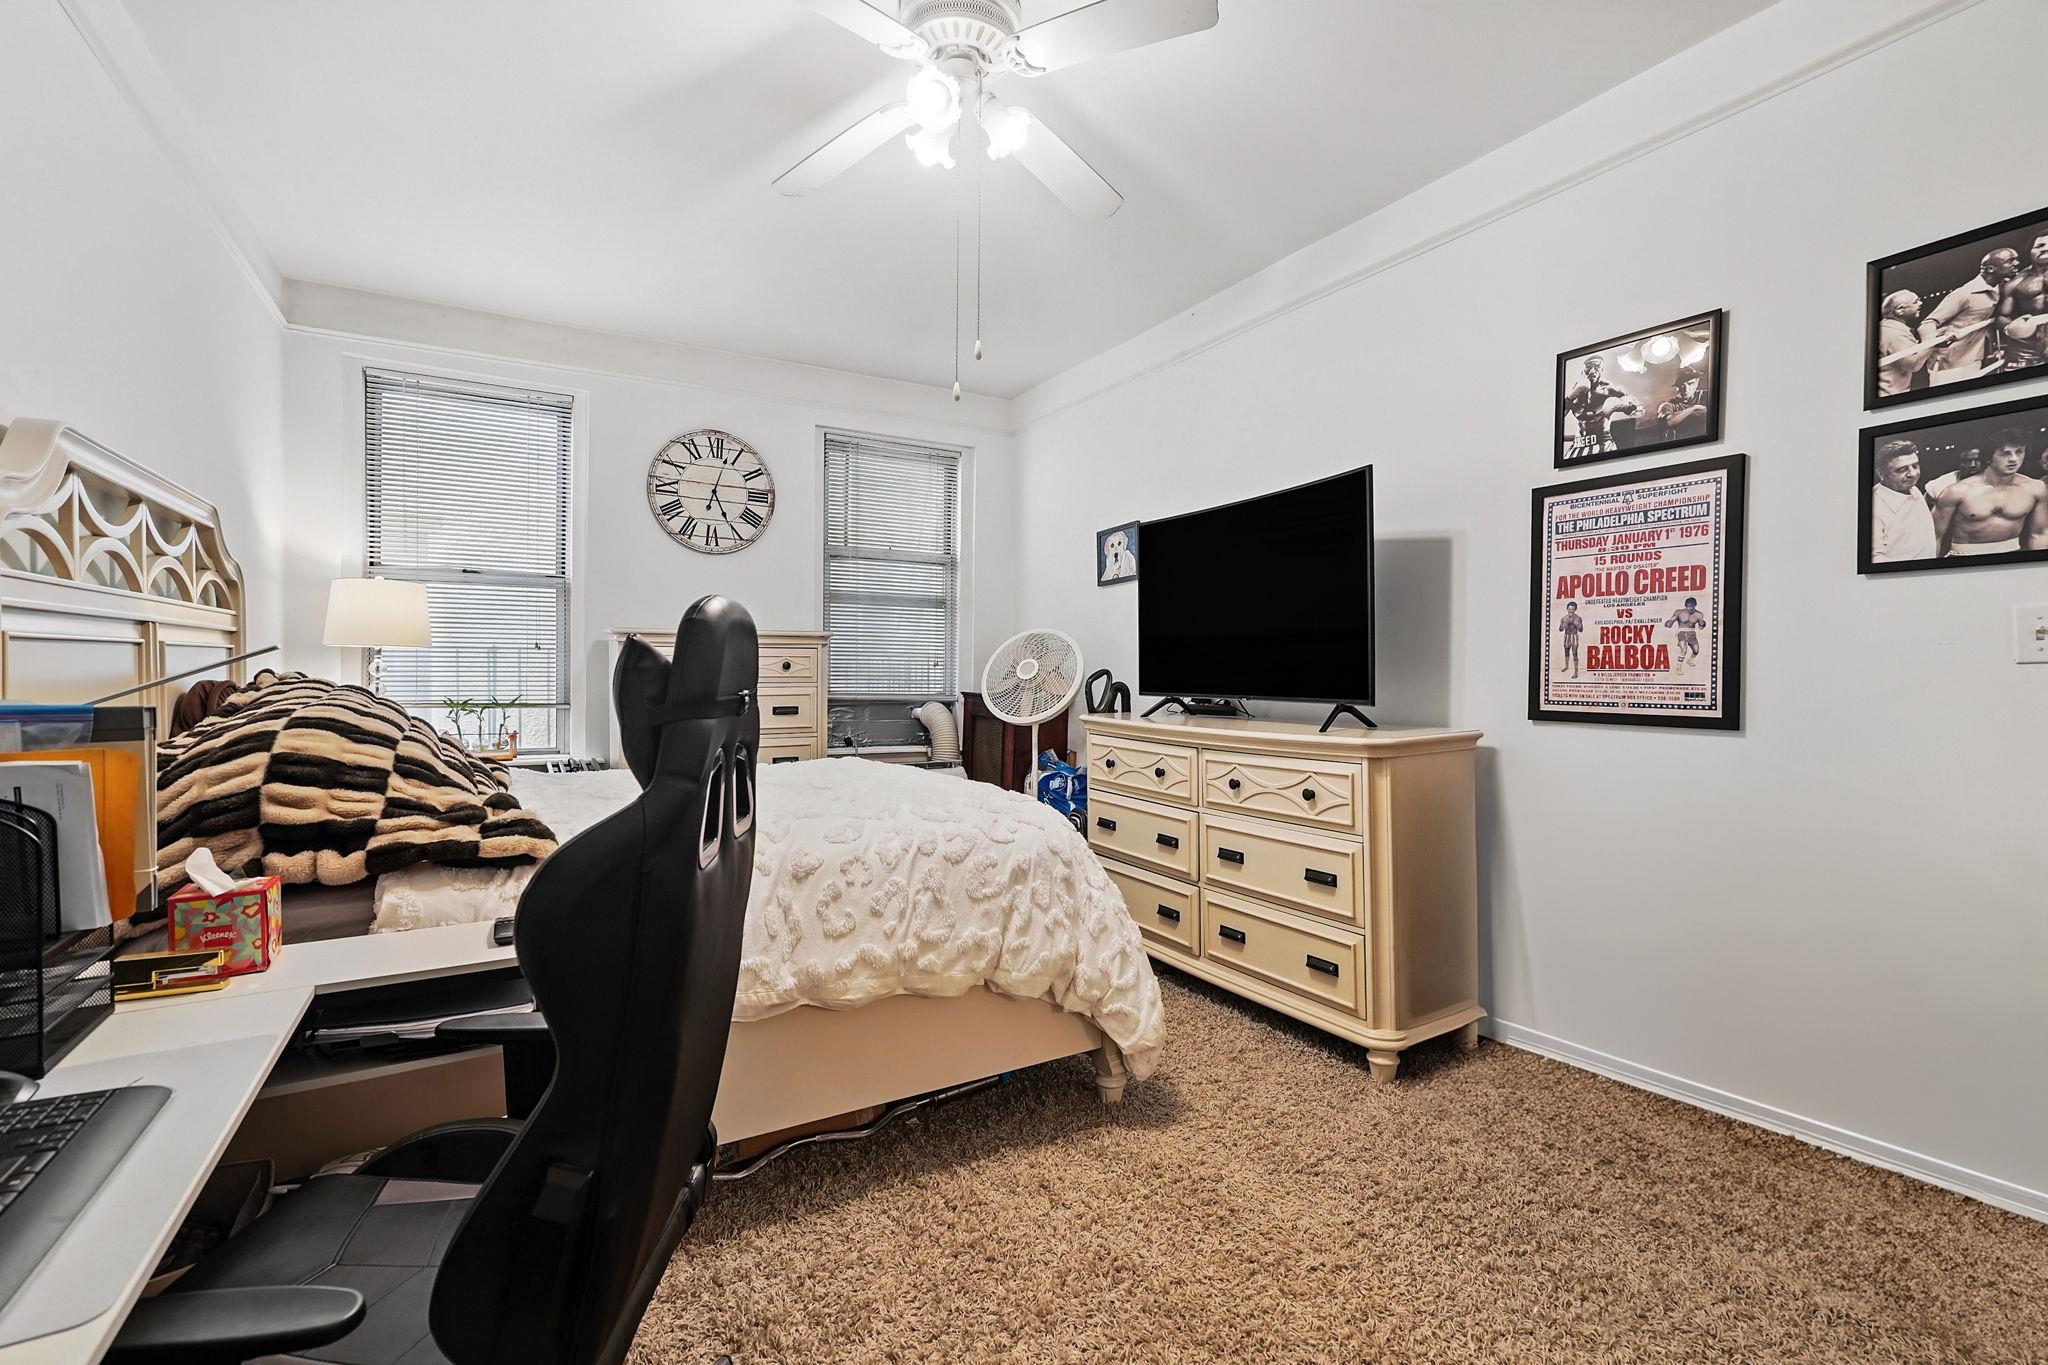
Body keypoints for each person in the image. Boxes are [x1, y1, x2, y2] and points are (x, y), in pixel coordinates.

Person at [1931, 427, 2045, 556]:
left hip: (2013, 554)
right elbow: (1934, 536)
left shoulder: (2035, 488)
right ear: (1988, 458)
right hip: (1964, 557)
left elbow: (2039, 534)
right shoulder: (1956, 492)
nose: (2014, 459)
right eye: (2005, 453)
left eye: (2019, 452)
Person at [1920, 248, 2020, 384]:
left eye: (2016, 259)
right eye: (2010, 261)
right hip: (1950, 365)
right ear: (1990, 268)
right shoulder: (1964, 293)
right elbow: (1927, 323)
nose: (2016, 263)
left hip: (1975, 358)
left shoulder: (2001, 289)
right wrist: (1935, 339)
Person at [1869, 439, 1937, 563]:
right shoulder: (1873, 506)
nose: (1913, 474)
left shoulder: (1913, 489)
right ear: (1881, 473)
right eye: (1902, 470)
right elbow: (1874, 558)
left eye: (1915, 466)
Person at [1563, 356, 1640, 456]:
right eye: (1588, 367)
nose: (1592, 371)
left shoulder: (1611, 390)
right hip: (1577, 446)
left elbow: (1639, 410)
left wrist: (1626, 406)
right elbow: (1557, 420)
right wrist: (1570, 398)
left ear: (1602, 369)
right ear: (1583, 369)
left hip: (1603, 445)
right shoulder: (1576, 389)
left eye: (1597, 366)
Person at [1997, 234, 2048, 374]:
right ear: (2030, 251)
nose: (2045, 249)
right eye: (2039, 246)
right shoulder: (2016, 282)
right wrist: (2010, 327)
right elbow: (2002, 315)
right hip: (2026, 346)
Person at [1875, 290, 1935, 396]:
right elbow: (1913, 364)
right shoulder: (1896, 334)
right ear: (1899, 310)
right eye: (1915, 302)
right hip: (1890, 393)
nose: (1921, 303)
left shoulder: (1885, 327)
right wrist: (1931, 341)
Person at [1664, 597, 1707, 673]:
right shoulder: (1679, 612)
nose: (1691, 608)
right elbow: (1670, 622)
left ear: (1695, 605)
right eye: (1689, 606)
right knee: (1684, 650)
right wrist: (1669, 622)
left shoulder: (1699, 614)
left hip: (1692, 634)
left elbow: (1701, 627)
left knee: (1696, 651)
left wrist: (1702, 624)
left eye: (1693, 606)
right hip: (1682, 632)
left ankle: (1689, 661)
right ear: (1686, 606)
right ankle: (1678, 668)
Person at [1557, 601, 1584, 678]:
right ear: (1567, 609)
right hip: (1567, 636)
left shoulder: (1578, 618)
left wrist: (1578, 625)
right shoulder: (1564, 618)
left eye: (1572, 609)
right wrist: (1563, 626)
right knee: (1566, 652)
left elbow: (1581, 630)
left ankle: (1576, 672)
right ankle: (1566, 666)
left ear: (1575, 610)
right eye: (1569, 609)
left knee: (1575, 653)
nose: (1570, 611)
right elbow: (1560, 629)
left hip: (1574, 636)